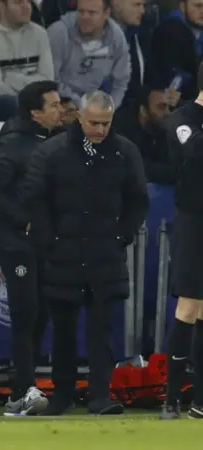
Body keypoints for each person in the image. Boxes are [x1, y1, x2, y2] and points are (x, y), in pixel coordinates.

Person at [21, 90, 149, 415]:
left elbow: (138, 201)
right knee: (63, 331)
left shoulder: (125, 152)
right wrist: (49, 241)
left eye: (106, 123)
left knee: (101, 331)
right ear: (79, 116)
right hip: (62, 254)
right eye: (94, 122)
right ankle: (62, 396)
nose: (100, 129)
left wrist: (123, 235)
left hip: (106, 254)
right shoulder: (53, 152)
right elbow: (35, 198)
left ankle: (100, 397)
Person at [0, 80, 63, 416]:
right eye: (54, 105)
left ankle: (22, 389)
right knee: (27, 312)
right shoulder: (10, 145)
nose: (60, 109)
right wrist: (25, 222)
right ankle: (24, 389)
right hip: (18, 245)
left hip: (45, 245)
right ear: (35, 111)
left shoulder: (52, 142)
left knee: (40, 313)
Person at [159, 65, 203, 420]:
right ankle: (172, 397)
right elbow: (195, 156)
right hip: (194, 220)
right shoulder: (183, 119)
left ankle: (200, 401)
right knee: (189, 306)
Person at [47, 0, 131, 108]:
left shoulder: (116, 35)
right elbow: (51, 80)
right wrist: (80, 104)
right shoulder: (58, 33)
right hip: (61, 101)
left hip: (94, 103)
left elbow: (121, 81)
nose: (85, 17)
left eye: (91, 13)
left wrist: (110, 108)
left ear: (106, 13)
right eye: (81, 11)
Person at [113, 85, 176, 185]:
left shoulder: (160, 127)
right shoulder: (119, 128)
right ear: (143, 110)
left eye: (169, 107)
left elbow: (169, 159)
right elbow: (137, 167)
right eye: (161, 107)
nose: (168, 113)